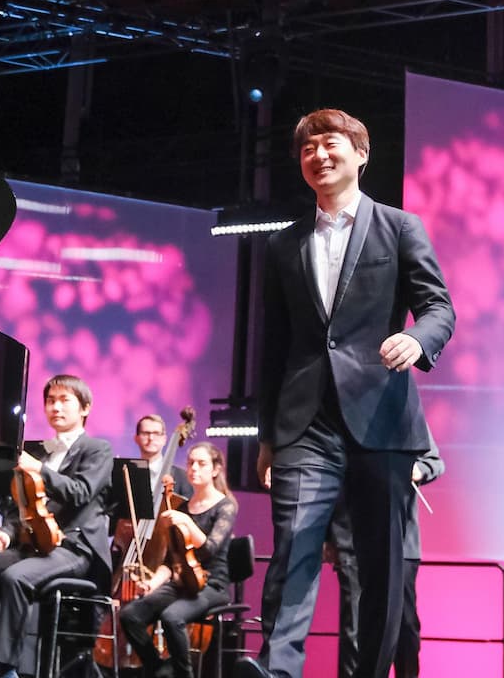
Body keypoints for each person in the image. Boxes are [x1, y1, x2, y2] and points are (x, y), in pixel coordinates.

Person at [239, 108, 456, 678]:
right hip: (304, 423)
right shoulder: (284, 245)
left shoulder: (400, 227)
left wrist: (415, 339)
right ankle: (278, 668)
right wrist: (267, 435)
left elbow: (439, 308)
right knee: (294, 545)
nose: (319, 156)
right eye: (308, 148)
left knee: (380, 567)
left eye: (330, 144)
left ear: (361, 153)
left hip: (380, 420)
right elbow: (274, 343)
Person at [0, 374, 114, 678]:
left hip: (74, 548)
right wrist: (6, 534)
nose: (56, 407)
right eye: (50, 400)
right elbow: (21, 508)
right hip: (31, 546)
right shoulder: (38, 452)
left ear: (85, 408)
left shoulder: (98, 450)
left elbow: (80, 492)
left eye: (65, 400)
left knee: (16, 578)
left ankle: (6, 670)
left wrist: (39, 468)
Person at [118, 442, 239, 677]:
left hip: (212, 584)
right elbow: (170, 559)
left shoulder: (225, 506)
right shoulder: (183, 506)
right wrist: (153, 584)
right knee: (130, 615)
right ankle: (160, 669)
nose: (193, 468)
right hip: (182, 581)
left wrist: (187, 523)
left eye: (201, 463)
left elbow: (209, 549)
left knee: (172, 617)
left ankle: (184, 674)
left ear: (215, 469)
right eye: (191, 463)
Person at [329, 437, 442, 678]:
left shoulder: (406, 412)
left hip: (402, 540)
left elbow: (434, 461)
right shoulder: (347, 414)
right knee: (355, 627)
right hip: (352, 539)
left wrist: (418, 470)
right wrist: (330, 536)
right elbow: (333, 476)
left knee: (405, 625)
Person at [113, 414, 192, 566]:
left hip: (166, 553)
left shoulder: (182, 477)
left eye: (156, 434)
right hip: (129, 546)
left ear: (164, 439)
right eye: (145, 433)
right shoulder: (125, 473)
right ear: (136, 438)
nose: (151, 438)